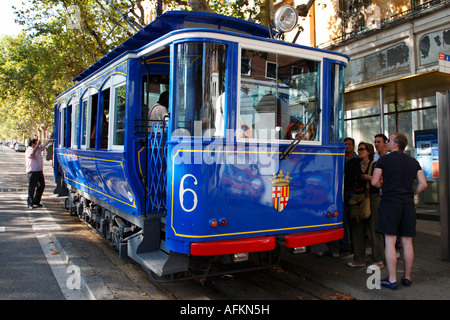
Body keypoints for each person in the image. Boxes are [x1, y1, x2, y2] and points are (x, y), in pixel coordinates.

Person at [371, 133, 427, 290]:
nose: (386, 142)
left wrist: (386, 188)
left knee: (390, 241)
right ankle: (407, 277)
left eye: (389, 140)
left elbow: (375, 181)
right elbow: (423, 184)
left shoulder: (383, 160)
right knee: (407, 241)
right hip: (407, 204)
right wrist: (411, 193)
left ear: (396, 145)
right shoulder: (412, 161)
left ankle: (392, 280)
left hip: (390, 204)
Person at [347, 142, 380, 267]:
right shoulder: (356, 165)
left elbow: (382, 182)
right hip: (358, 198)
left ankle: (378, 258)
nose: (359, 151)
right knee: (357, 228)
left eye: (362, 149)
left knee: (374, 228)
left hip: (372, 197)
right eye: (359, 149)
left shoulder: (375, 165)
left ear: (369, 152)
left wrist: (369, 178)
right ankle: (359, 258)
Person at [25, 138, 51, 208]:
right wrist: (37, 145)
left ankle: (36, 201)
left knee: (41, 186)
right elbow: (32, 153)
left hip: (39, 171)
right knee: (32, 188)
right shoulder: (29, 150)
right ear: (33, 144)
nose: (38, 145)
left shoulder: (38, 149)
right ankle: (30, 203)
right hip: (32, 172)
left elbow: (44, 145)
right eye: (36, 143)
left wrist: (49, 138)